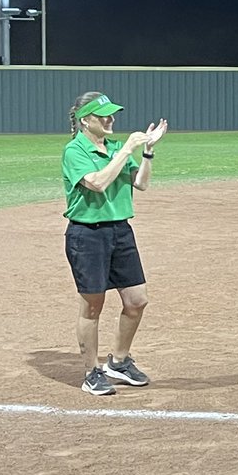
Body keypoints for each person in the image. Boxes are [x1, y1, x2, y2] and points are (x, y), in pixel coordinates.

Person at [61, 92, 167, 396]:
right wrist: (127, 149)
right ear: (85, 121)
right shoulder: (74, 151)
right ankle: (91, 372)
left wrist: (146, 151)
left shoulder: (116, 147)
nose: (110, 119)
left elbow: (141, 183)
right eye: (103, 115)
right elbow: (97, 183)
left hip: (120, 231)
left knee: (137, 300)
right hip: (87, 235)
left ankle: (118, 362)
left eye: (111, 114)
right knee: (92, 306)